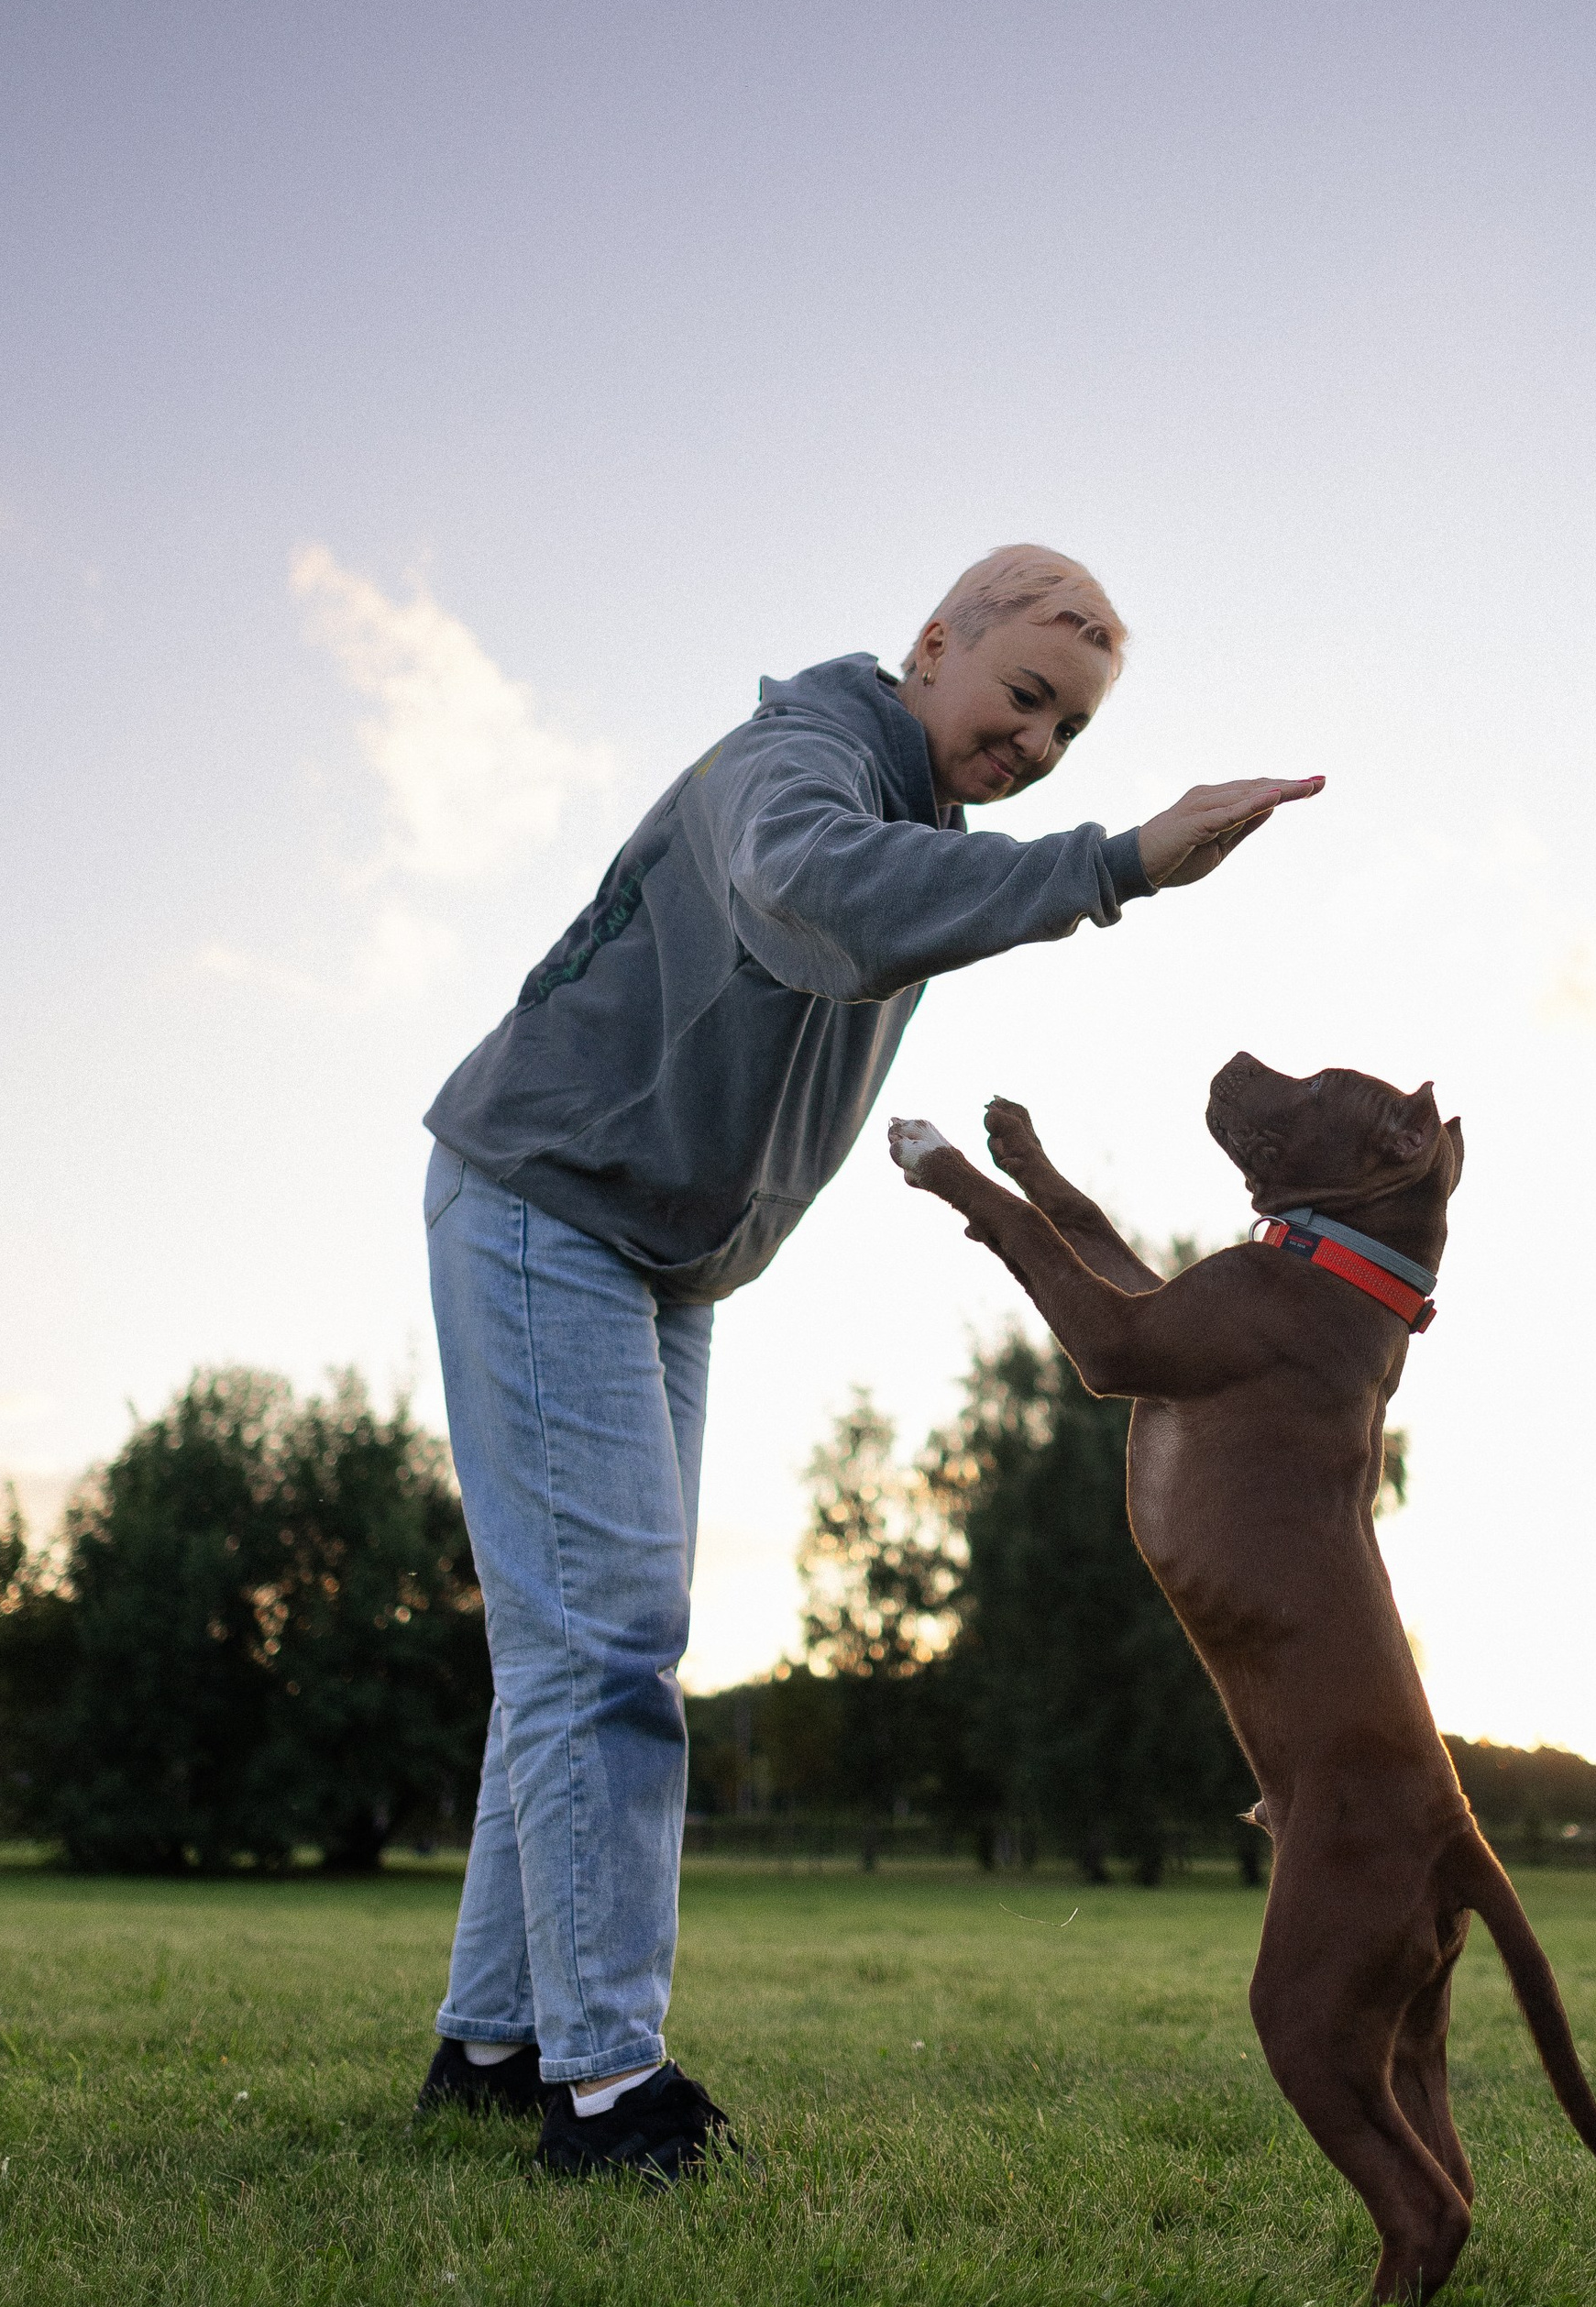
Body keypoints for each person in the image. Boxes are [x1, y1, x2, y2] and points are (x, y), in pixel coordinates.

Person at [412, 545, 1320, 2176]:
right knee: (605, 1638)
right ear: (931, 646)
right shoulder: (798, 764)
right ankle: (609, 2093)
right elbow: (823, 900)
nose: (1038, 748)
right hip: (545, 1198)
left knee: (577, 1646)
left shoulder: (921, 830)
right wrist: (1112, 859)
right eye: (1027, 698)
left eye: (1072, 737)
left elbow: (881, 913)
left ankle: (491, 2045)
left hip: (660, 1259)